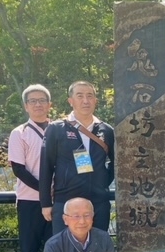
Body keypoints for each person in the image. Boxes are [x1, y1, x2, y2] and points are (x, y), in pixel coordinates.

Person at [39, 81, 114, 234]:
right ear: (70, 101)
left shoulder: (106, 130)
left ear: (95, 100)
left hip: (98, 202)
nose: (85, 101)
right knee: (65, 246)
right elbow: (46, 166)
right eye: (80, 96)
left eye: (90, 96)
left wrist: (101, 183)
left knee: (98, 245)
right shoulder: (56, 129)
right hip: (66, 201)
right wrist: (45, 203)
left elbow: (114, 164)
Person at [8, 84, 53, 252]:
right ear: (26, 106)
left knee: (55, 249)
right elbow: (19, 169)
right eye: (32, 101)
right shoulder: (19, 133)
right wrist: (45, 192)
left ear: (49, 104)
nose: (38, 104)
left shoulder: (60, 130)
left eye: (42, 100)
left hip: (58, 201)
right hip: (29, 201)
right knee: (29, 249)